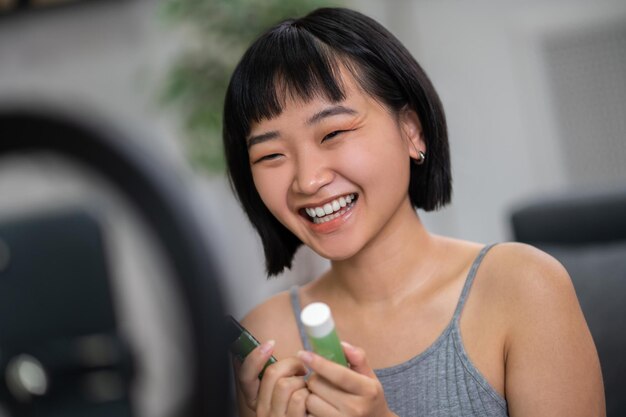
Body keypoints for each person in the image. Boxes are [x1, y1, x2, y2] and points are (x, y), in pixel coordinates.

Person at [222, 7, 605, 417]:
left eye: (333, 133)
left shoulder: (525, 289)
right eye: (272, 154)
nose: (308, 180)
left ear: (412, 130)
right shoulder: (268, 341)